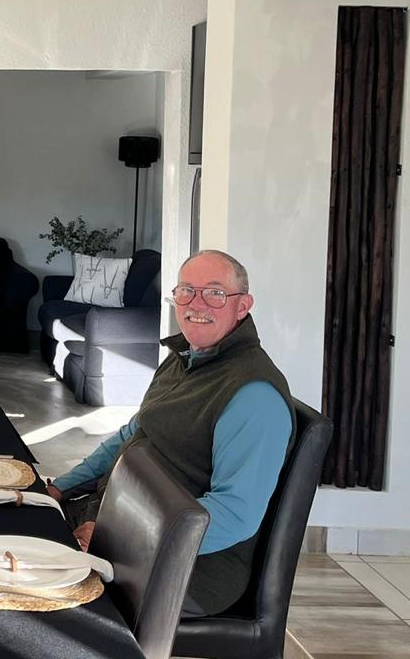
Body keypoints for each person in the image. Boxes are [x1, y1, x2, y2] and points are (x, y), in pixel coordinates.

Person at [46, 249, 293, 618]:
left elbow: (234, 514)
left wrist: (117, 537)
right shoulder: (184, 359)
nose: (197, 303)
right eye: (186, 291)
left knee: (21, 596)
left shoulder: (253, 394)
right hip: (112, 523)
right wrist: (60, 488)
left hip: (184, 571)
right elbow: (130, 436)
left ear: (243, 306)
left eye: (215, 293)